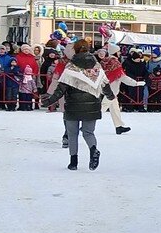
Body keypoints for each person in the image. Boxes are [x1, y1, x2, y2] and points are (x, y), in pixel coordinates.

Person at [40, 39, 114, 171]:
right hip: (92, 105)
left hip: (73, 105)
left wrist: (48, 102)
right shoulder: (96, 66)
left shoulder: (71, 66)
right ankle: (93, 150)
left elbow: (61, 89)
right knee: (88, 132)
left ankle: (73, 162)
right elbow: (105, 84)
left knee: (72, 133)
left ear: (75, 50)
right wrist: (110, 96)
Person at [96, 42, 142, 134]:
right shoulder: (115, 62)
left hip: (106, 87)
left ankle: (118, 126)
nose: (120, 53)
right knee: (102, 107)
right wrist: (136, 83)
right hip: (112, 90)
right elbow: (122, 77)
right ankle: (88, 123)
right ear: (115, 52)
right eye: (119, 51)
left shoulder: (104, 61)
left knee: (115, 108)